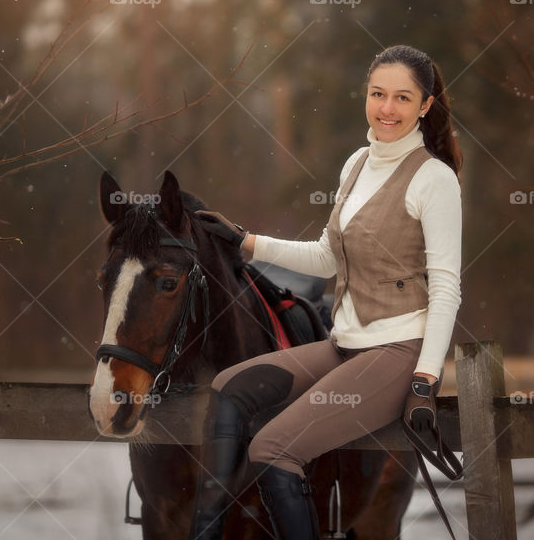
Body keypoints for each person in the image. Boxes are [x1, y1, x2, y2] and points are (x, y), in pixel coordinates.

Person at [188, 44, 463, 540]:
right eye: (378, 94)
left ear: (425, 105)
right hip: (345, 347)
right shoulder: (357, 164)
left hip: (399, 353)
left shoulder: (434, 179)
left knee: (273, 449)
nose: (387, 109)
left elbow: (446, 289)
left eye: (403, 98)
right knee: (228, 388)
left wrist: (425, 379)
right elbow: (328, 258)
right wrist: (248, 241)